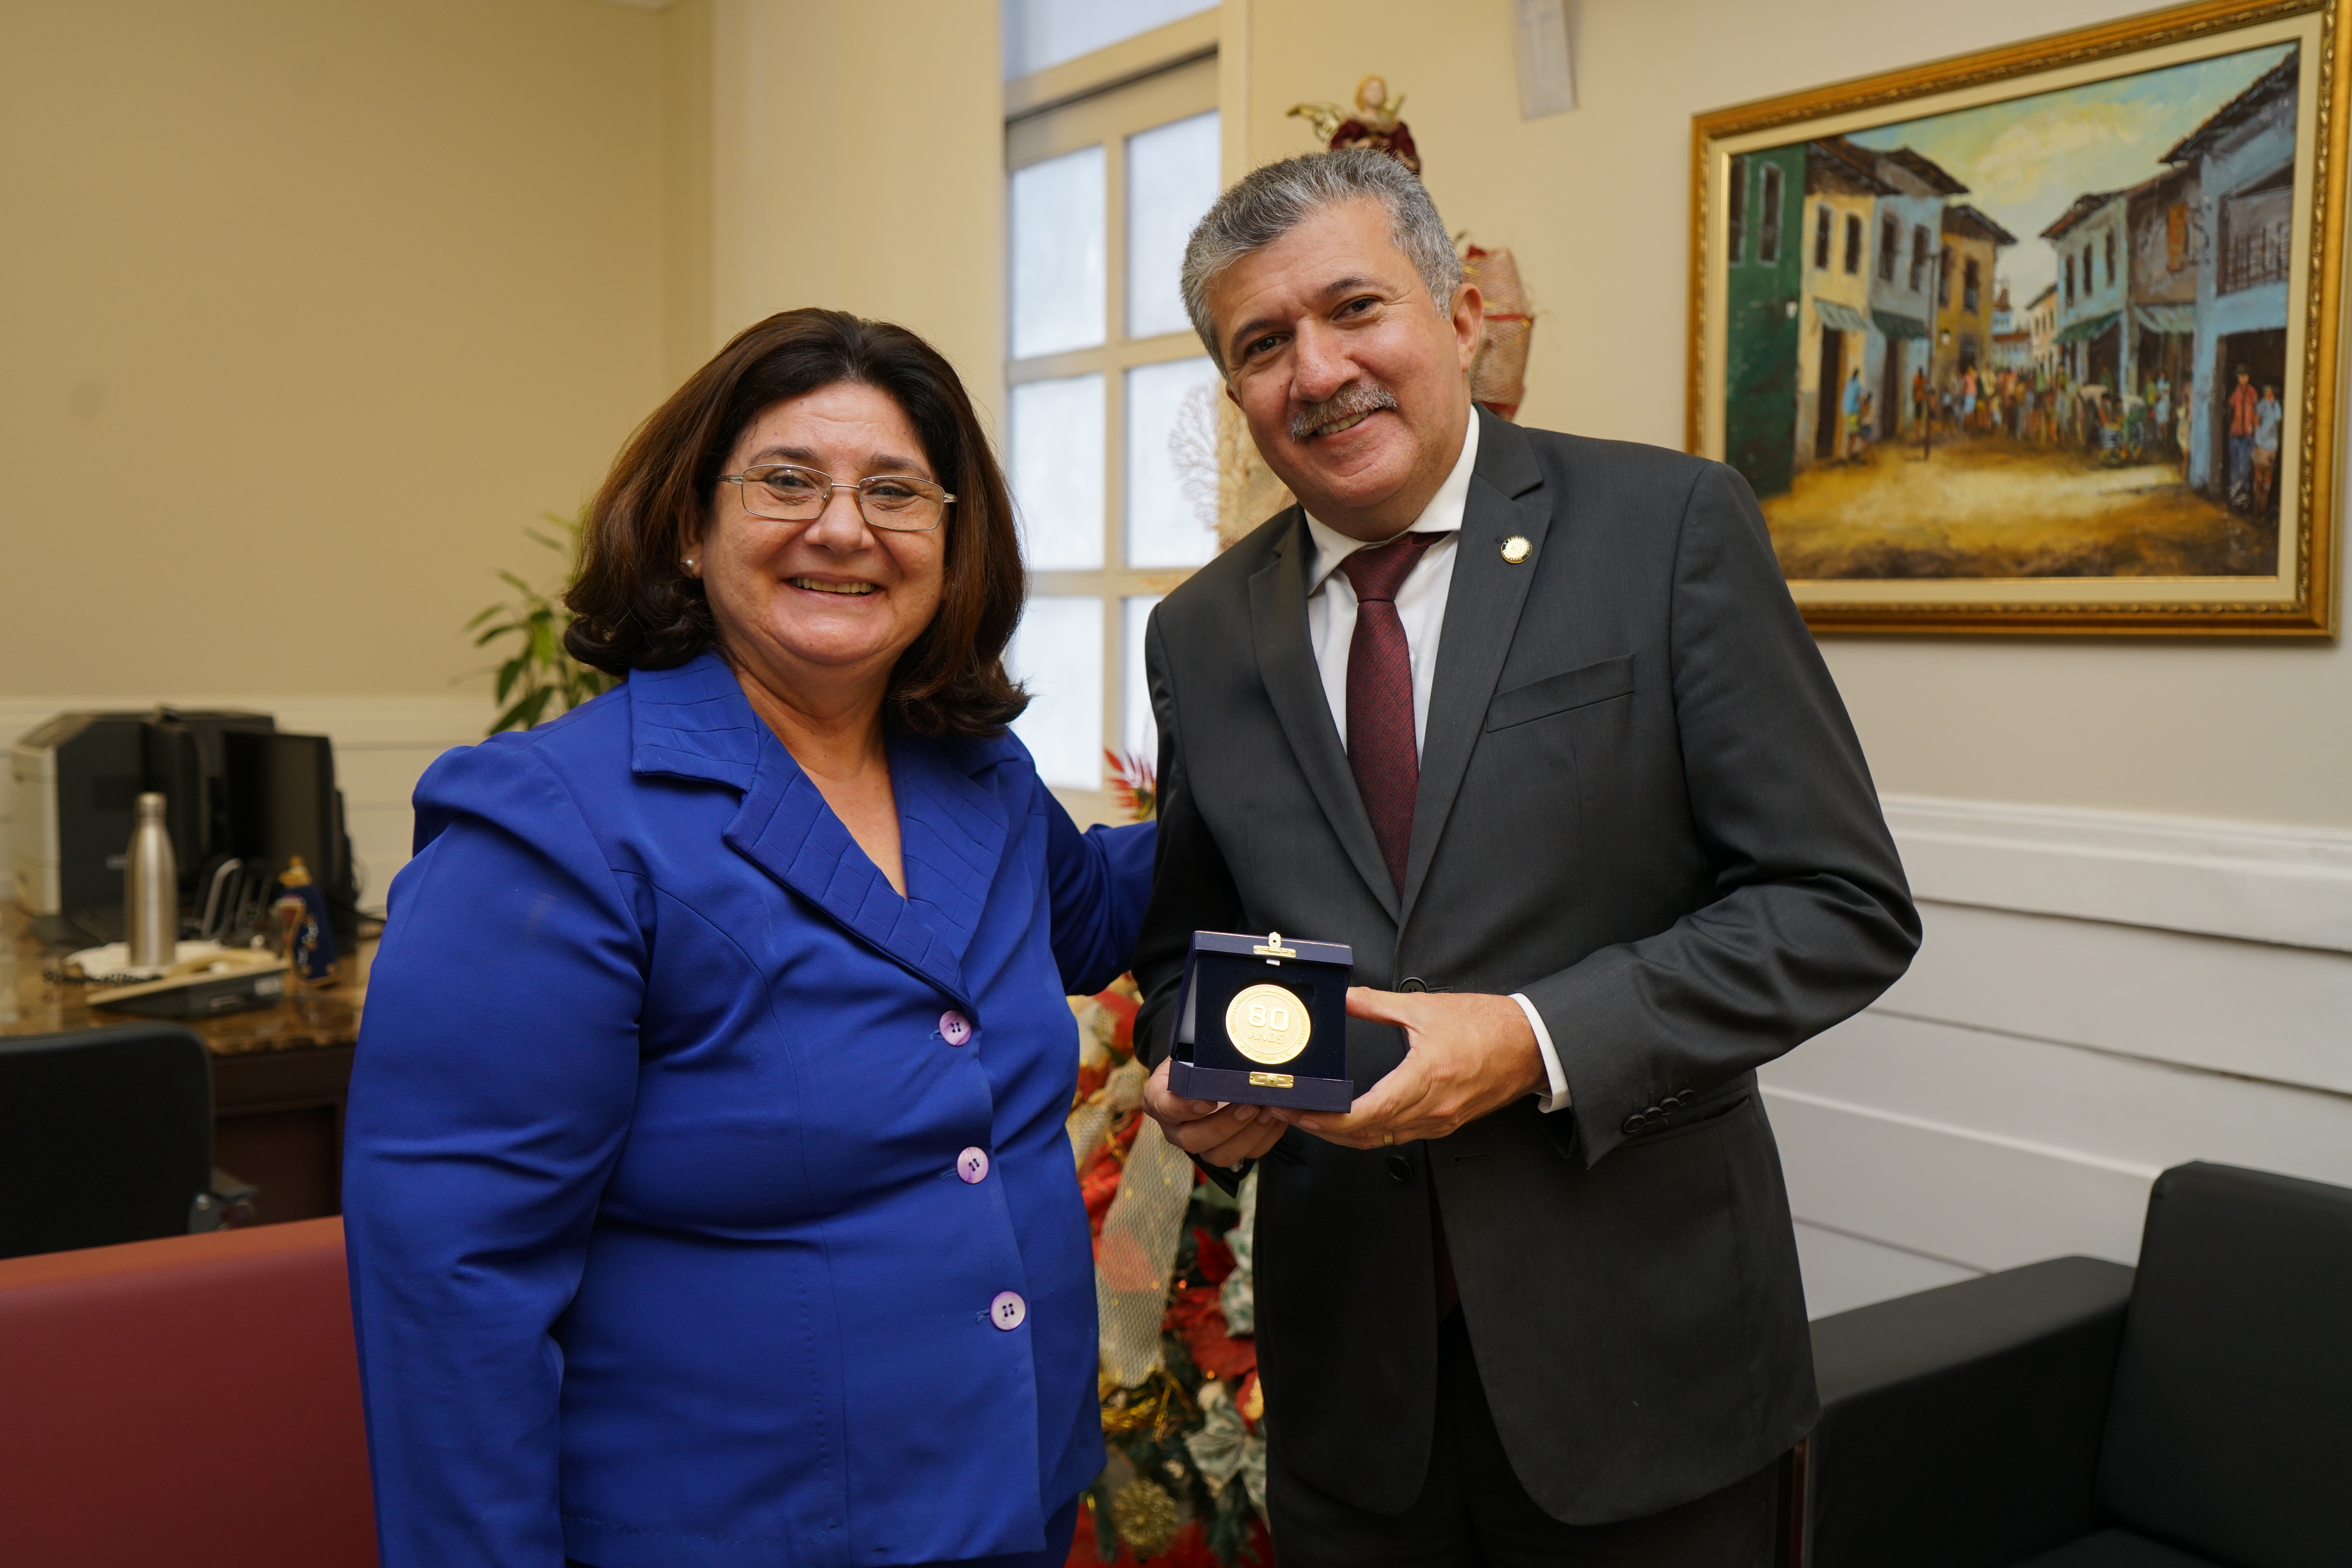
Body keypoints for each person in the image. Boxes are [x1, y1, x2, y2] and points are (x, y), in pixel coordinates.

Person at [1134, 149, 1919, 1565]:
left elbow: (1838, 905)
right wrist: (1202, 1065)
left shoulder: (1666, 530)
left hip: (1644, 1380)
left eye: (1354, 307)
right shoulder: (1197, 633)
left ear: (1459, 318)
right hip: (1352, 1403)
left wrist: (1530, 1037)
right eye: (1263, 344)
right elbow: (1194, 933)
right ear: (1238, 391)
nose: (1316, 371)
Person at [342, 309, 1155, 1568]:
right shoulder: (554, 826)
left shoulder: (978, 777)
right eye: (787, 480)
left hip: (1015, 1498)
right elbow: (454, 1292)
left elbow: (1094, 915)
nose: (843, 526)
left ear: (951, 537)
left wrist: (1297, 746)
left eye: (895, 490)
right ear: (688, 525)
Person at [2228, 365, 2260, 506]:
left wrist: (2255, 431)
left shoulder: (2252, 393)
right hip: (2236, 433)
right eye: (2240, 376)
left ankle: (2245, 494)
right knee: (2236, 465)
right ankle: (2235, 494)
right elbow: (2231, 409)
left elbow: (2255, 413)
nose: (2242, 379)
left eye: (2245, 376)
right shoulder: (2236, 393)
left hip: (2247, 434)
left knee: (2245, 465)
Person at [2253, 382, 2283, 514]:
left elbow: (2279, 422)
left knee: (2267, 477)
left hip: (2272, 445)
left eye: (2270, 391)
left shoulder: (2276, 406)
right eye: (2266, 390)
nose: (2268, 393)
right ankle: (2256, 505)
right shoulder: (2261, 404)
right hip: (2261, 444)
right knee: (2258, 476)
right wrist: (2257, 432)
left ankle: (2263, 507)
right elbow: (2256, 419)